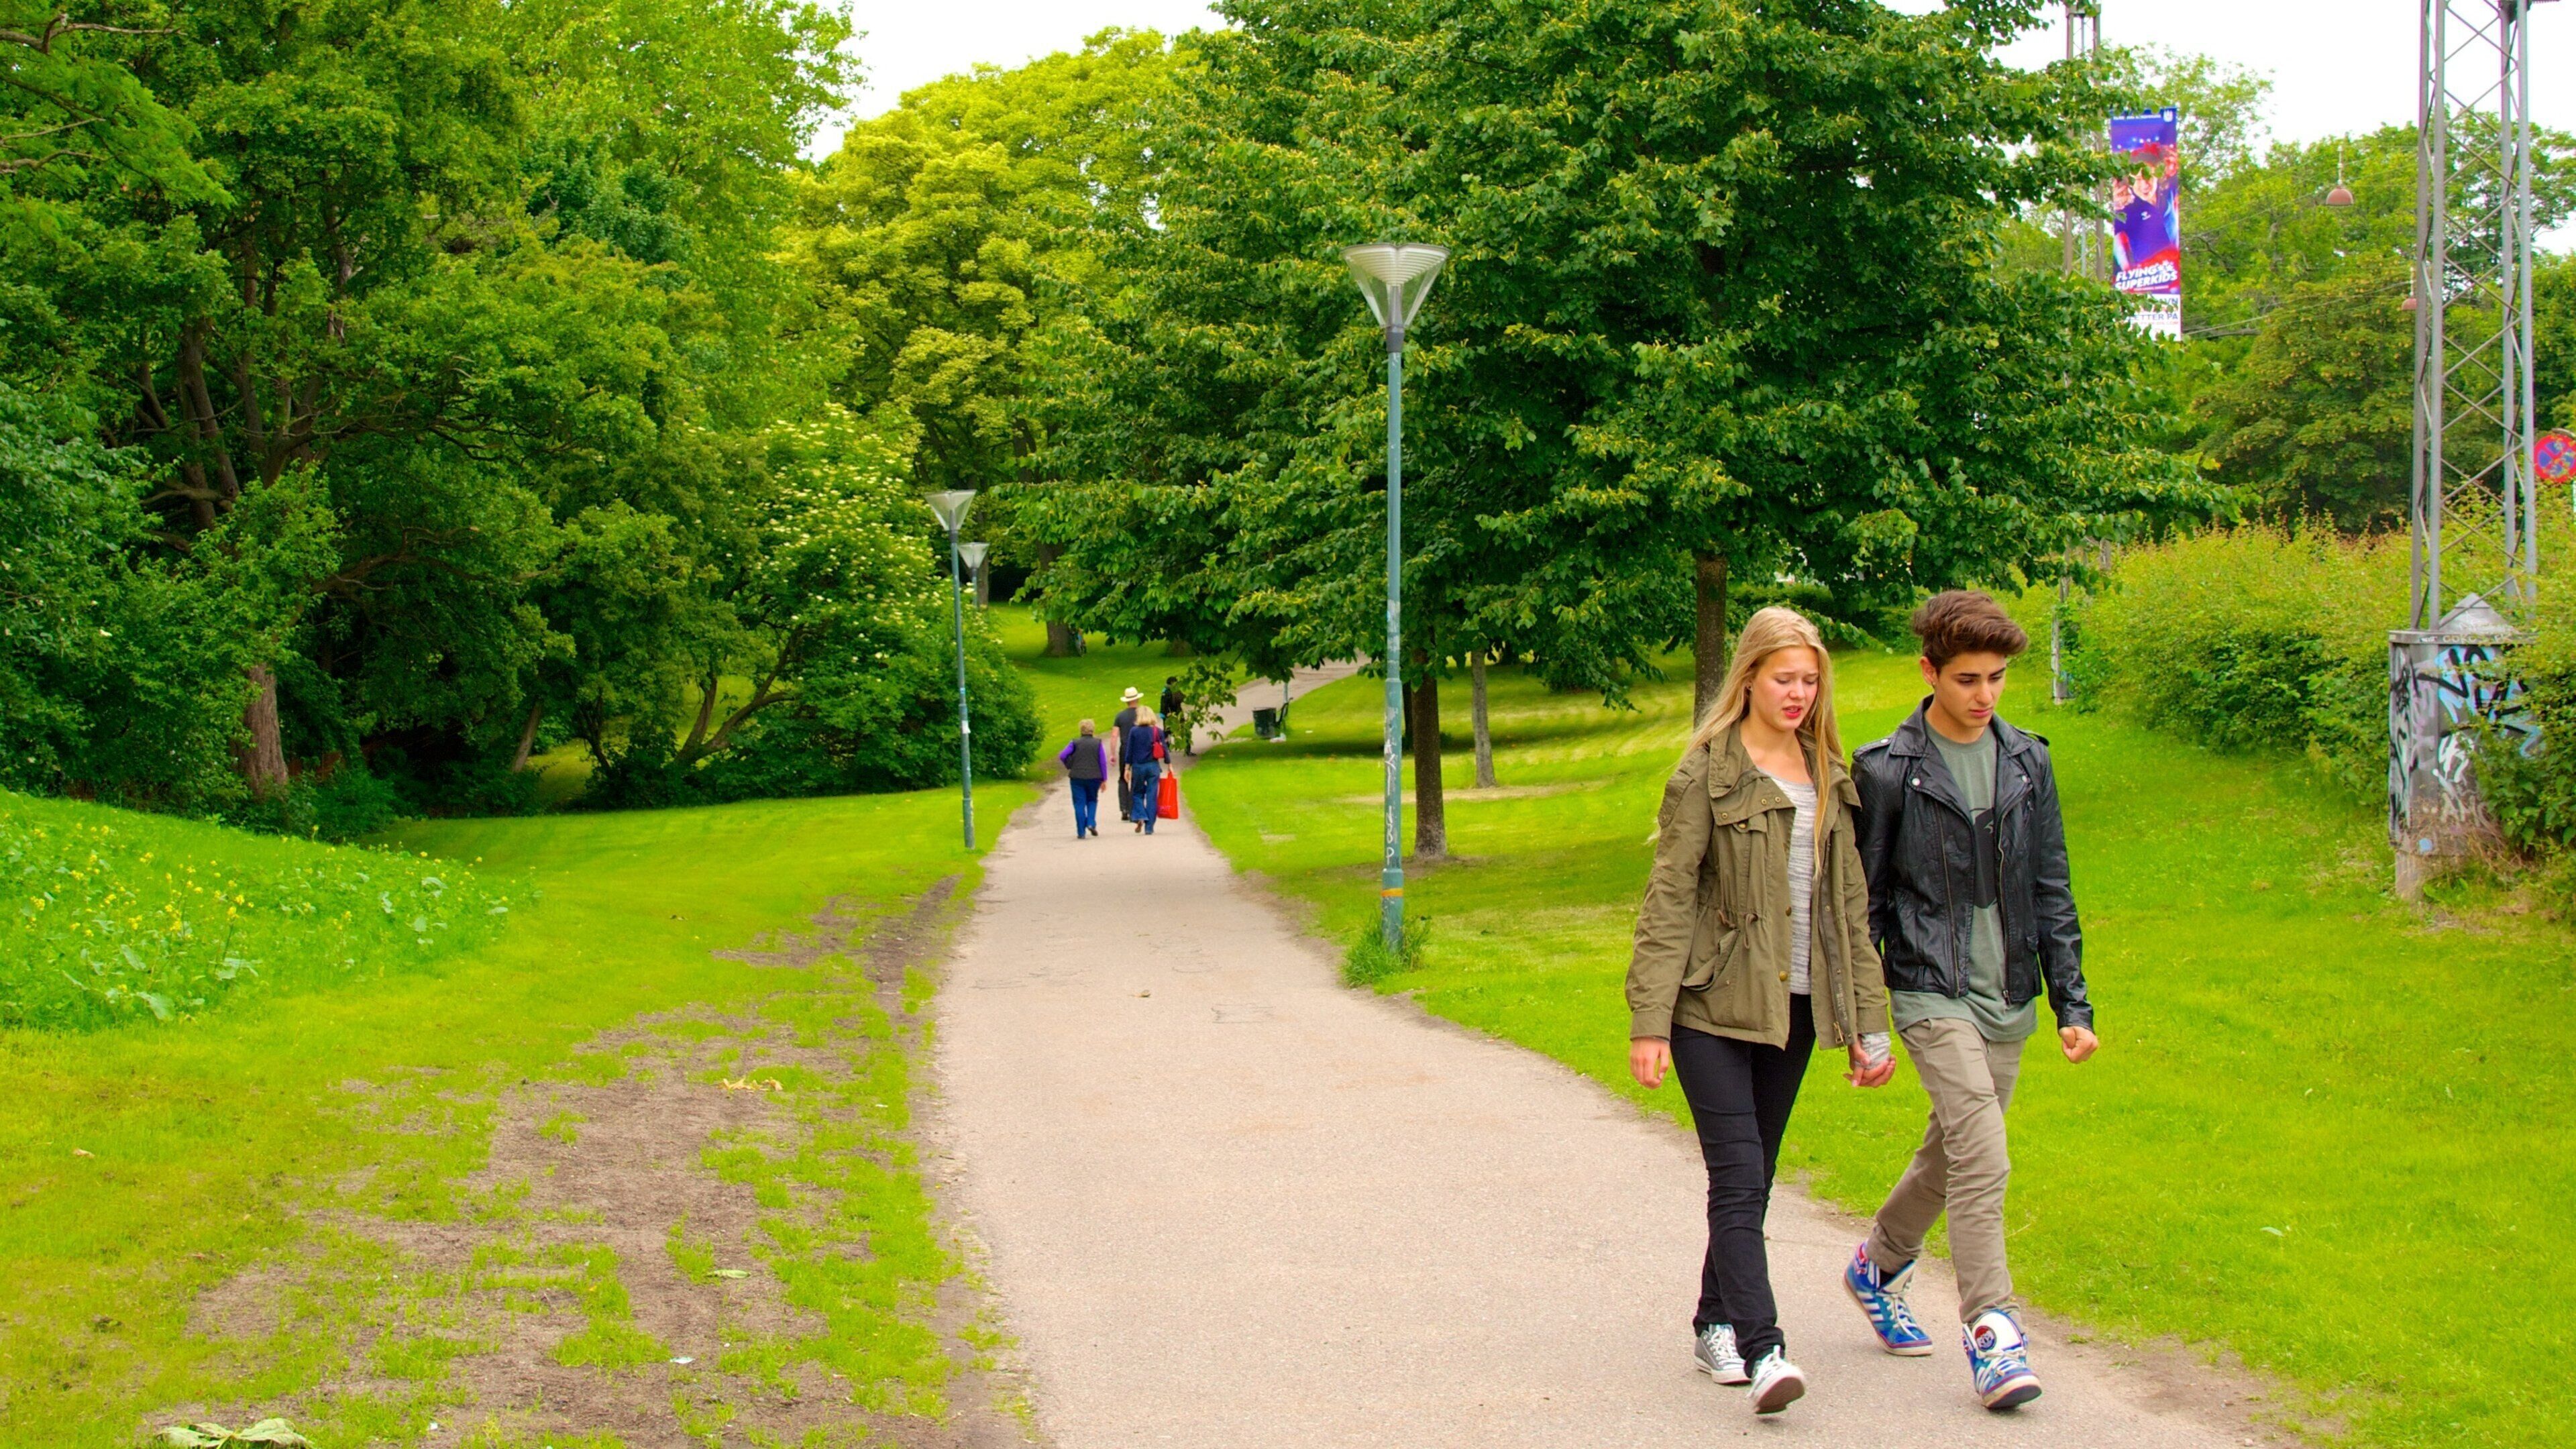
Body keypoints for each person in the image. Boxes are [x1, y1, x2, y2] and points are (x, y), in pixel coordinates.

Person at [1627, 606, 1894, 1417]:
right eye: (1784, 679)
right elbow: (1669, 899)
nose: (1799, 694)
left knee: (1757, 1175)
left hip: (1797, 1009)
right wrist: (1649, 1021)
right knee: (1739, 1177)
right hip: (1711, 1007)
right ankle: (1763, 1347)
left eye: (1810, 681)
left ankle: (1713, 1321)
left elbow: (1850, 908)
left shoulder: (1829, 773)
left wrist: (1867, 1023)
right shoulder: (1705, 774)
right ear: (1749, 678)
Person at [1842, 590, 2097, 1413]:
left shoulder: (2028, 760)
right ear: (1929, 672)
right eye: (1967, 679)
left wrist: (2073, 1005)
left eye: (1997, 678)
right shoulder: (1888, 770)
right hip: (1929, 986)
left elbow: (2051, 884)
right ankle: (1994, 1332)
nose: (1985, 695)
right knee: (1985, 1155)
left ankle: (1878, 1266)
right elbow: (1862, 904)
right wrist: (1865, 1021)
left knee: (1954, 1152)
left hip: (2008, 992)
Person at [1057, 720, 1108, 839]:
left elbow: (1062, 755)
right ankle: (1091, 822)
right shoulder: (1098, 743)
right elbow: (1102, 762)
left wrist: (1069, 764)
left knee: (1079, 804)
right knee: (1092, 800)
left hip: (1077, 777)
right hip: (1094, 777)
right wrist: (1104, 779)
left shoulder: (1075, 743)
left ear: (1081, 730)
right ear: (1093, 730)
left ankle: (1081, 832)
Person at [1124, 706, 1166, 835]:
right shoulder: (1157, 731)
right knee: (1152, 796)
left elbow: (1130, 750)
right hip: (1153, 766)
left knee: (1137, 793)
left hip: (1138, 767)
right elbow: (1164, 748)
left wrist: (1127, 768)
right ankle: (1149, 827)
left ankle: (1141, 815)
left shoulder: (1134, 731)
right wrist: (1169, 764)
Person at [1112, 686, 1142, 822]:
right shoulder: (1142, 715)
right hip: (1139, 749)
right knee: (1136, 778)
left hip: (1125, 748)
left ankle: (1124, 808)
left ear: (1126, 701)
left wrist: (1113, 754)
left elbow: (1114, 736)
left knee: (1123, 778)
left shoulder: (1120, 716)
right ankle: (1132, 808)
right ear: (1137, 699)